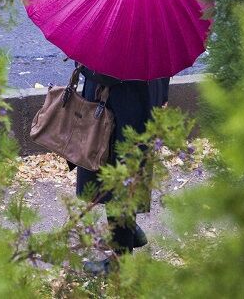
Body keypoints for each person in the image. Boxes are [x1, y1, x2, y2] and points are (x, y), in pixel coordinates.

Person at [69, 63, 170, 274]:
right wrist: (162, 93)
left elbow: (104, 73)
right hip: (146, 96)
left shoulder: (112, 29)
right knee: (130, 174)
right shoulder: (151, 29)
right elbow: (162, 61)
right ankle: (129, 233)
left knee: (116, 184)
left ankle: (120, 264)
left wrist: (81, 64)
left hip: (118, 108)